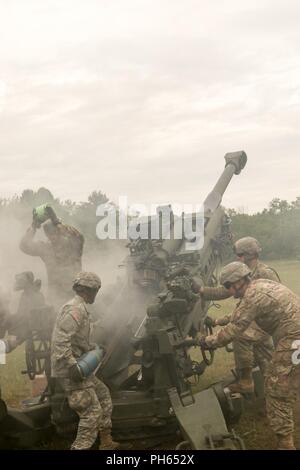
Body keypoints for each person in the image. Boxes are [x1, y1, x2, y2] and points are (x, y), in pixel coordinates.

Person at [198, 261, 300, 450]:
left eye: (228, 285)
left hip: (294, 339)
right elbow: (240, 313)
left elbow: (233, 331)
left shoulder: (253, 295)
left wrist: (207, 342)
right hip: (294, 336)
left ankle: (286, 445)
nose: (228, 289)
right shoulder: (260, 286)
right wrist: (219, 321)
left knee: (276, 389)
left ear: (238, 281)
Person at [200, 237, 280, 393]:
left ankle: (246, 382)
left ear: (248, 255)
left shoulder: (265, 273)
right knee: (268, 365)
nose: (238, 257)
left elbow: (275, 303)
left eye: (239, 254)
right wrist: (202, 291)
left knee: (241, 335)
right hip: (260, 324)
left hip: (269, 325)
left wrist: (210, 340)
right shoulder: (244, 274)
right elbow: (227, 293)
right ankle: (272, 396)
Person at [51, 271, 119, 450]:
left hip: (78, 367)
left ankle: (106, 442)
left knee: (103, 395)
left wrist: (93, 348)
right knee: (91, 413)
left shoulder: (81, 309)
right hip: (70, 370)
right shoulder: (75, 309)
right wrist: (72, 365)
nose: (96, 294)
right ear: (88, 290)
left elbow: (77, 340)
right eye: (96, 290)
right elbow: (61, 340)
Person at [20, 209, 84, 309]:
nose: (53, 237)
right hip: (55, 296)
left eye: (55, 232)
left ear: (60, 231)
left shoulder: (72, 246)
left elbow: (79, 237)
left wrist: (57, 222)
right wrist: (33, 227)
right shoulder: (46, 248)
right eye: (49, 234)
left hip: (75, 294)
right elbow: (24, 246)